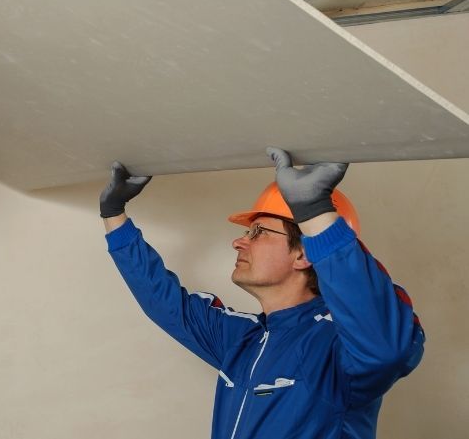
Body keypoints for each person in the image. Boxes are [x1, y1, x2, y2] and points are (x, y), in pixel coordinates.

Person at [99, 147, 425, 439]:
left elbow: (387, 346)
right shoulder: (243, 339)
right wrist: (114, 213)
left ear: (304, 255)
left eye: (257, 232)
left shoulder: (335, 347)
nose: (239, 241)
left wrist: (314, 211)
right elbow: (165, 303)